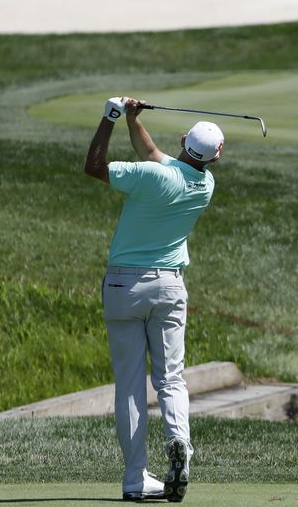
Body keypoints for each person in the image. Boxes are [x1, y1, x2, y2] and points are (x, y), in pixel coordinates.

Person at [84, 96, 224, 502]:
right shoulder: (204, 185)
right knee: (170, 377)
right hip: (169, 287)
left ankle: (135, 479)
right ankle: (180, 443)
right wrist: (133, 119)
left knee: (130, 384)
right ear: (216, 157)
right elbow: (152, 153)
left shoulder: (149, 175)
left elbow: (94, 166)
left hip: (123, 287)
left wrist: (110, 117)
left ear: (182, 140)